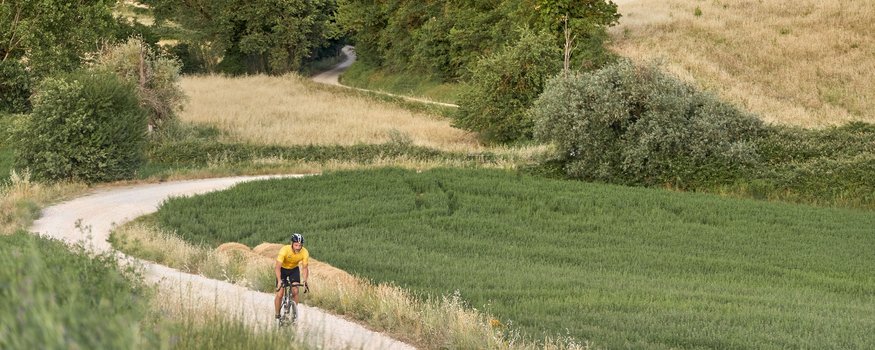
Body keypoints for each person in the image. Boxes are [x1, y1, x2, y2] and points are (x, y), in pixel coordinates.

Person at [275, 233, 309, 323]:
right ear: (292, 244)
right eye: (296, 245)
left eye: (300, 245)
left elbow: (305, 268)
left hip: (293, 270)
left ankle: (293, 312)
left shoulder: (304, 252)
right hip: (282, 269)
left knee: (295, 290)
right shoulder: (284, 250)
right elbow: (277, 267)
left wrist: (305, 281)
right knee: (280, 294)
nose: (298, 247)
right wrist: (279, 280)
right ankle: (277, 316)